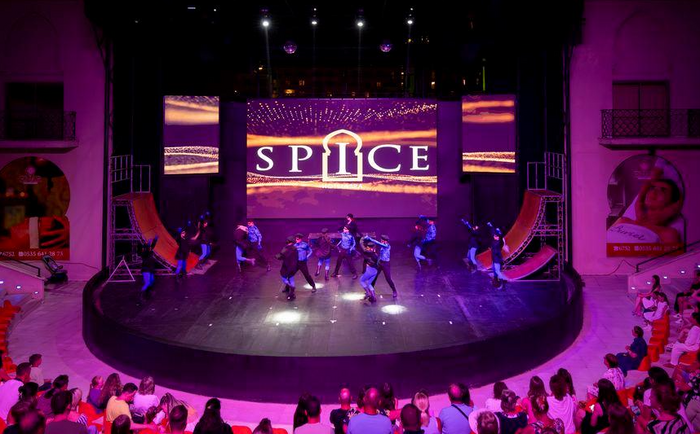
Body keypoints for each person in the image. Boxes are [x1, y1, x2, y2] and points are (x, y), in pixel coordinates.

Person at [276, 236, 299, 301]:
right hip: (293, 266)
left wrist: (276, 256)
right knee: (291, 277)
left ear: (288, 241)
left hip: (286, 265)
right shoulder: (295, 248)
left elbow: (281, 256)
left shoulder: (286, 248)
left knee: (283, 277)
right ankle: (292, 294)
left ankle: (290, 286)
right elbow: (297, 257)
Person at [358, 238, 380, 303]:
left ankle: (368, 293)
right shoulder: (375, 254)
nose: (366, 248)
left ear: (370, 248)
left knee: (361, 280)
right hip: (375, 271)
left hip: (370, 270)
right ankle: (373, 297)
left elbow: (362, 247)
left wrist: (362, 240)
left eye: (367, 247)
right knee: (369, 283)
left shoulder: (368, 253)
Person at [488, 224, 510, 288]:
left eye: (495, 236)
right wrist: (491, 227)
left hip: (497, 259)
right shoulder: (495, 241)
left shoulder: (498, 242)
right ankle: (496, 279)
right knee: (494, 269)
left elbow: (500, 237)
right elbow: (493, 234)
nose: (494, 237)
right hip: (494, 258)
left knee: (497, 271)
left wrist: (498, 231)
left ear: (498, 237)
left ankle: (502, 281)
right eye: (494, 236)